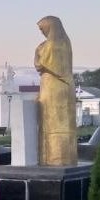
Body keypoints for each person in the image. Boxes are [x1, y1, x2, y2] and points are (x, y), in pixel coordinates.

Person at [34, 15, 77, 166]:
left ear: (51, 27)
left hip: (57, 87)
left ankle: (58, 159)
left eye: (43, 29)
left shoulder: (56, 43)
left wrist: (39, 54)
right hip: (50, 85)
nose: (42, 32)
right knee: (47, 121)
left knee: (58, 123)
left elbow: (40, 63)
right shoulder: (51, 44)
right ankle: (48, 157)